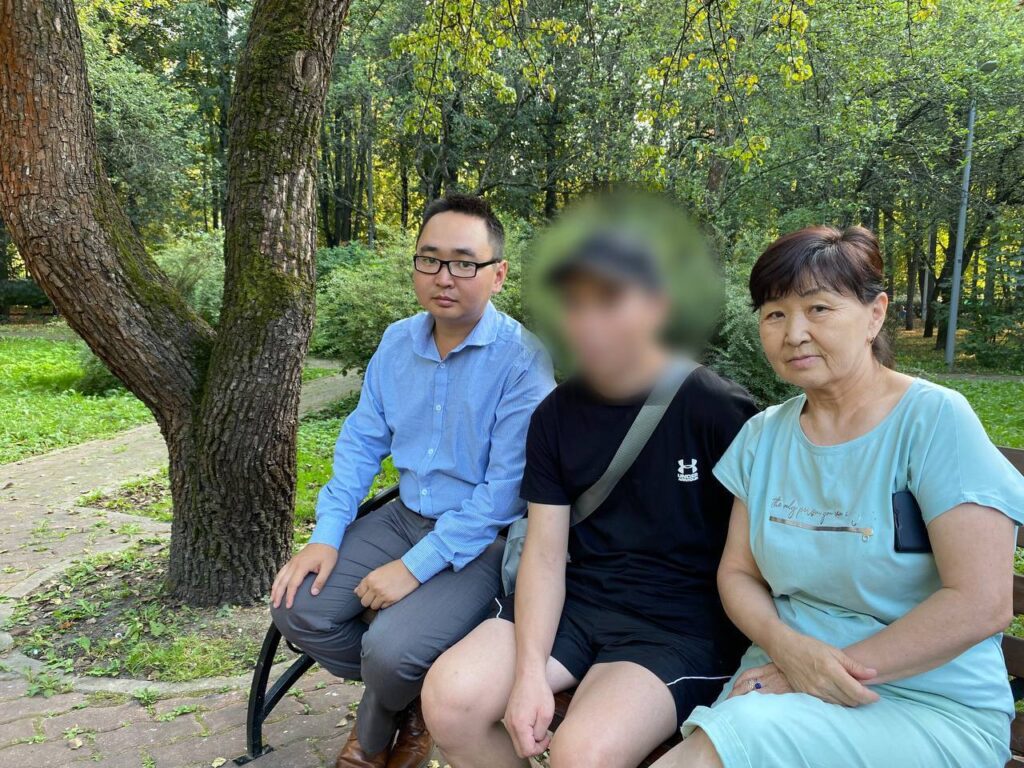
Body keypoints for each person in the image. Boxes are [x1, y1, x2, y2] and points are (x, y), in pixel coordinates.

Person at [653, 225, 1024, 768]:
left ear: (875, 314)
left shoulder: (933, 421)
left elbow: (981, 602)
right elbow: (738, 573)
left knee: (719, 748)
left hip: (926, 702)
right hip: (779, 679)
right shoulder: (762, 436)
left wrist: (819, 672)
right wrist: (788, 652)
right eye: (774, 314)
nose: (794, 333)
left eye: (819, 309)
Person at [422, 230, 758, 768]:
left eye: (609, 301)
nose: (589, 322)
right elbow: (545, 553)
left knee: (581, 754)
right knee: (450, 701)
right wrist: (529, 674)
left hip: (677, 624)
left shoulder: (717, 409)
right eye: (574, 305)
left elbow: (761, 553)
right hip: (577, 601)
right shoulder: (555, 416)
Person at [270, 194, 554, 768]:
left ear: (498, 274)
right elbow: (360, 443)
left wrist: (414, 568)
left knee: (390, 650)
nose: (444, 277)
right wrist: (326, 533)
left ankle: (377, 726)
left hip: (482, 539)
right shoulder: (397, 341)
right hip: (403, 515)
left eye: (464, 263)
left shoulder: (522, 360)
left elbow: (504, 494)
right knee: (298, 607)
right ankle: (415, 699)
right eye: (430, 259)